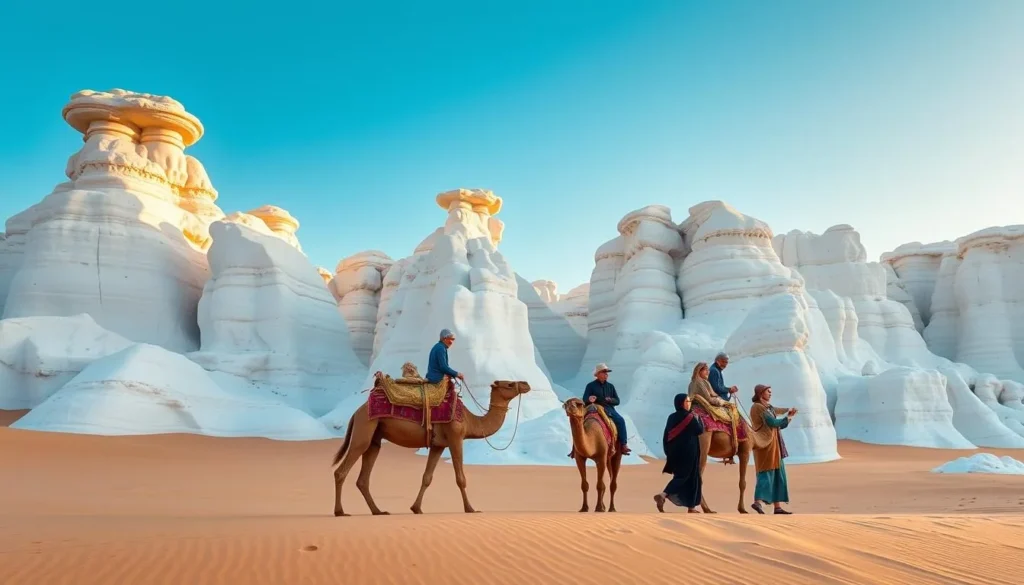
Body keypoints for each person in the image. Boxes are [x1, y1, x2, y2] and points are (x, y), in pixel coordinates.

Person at [749, 384, 797, 515]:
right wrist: (789, 417)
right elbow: (773, 423)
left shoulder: (767, 407)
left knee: (778, 474)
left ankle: (777, 507)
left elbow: (777, 411)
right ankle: (757, 502)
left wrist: (788, 411)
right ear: (760, 393)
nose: (770, 393)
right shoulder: (757, 407)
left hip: (774, 445)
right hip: (765, 444)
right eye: (768, 392)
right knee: (766, 473)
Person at [654, 393, 705, 513]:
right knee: (687, 477)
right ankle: (663, 494)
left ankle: (691, 507)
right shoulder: (690, 417)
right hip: (689, 453)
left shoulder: (671, 417)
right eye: (687, 402)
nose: (689, 404)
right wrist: (698, 419)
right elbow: (699, 430)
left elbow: (666, 435)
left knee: (684, 477)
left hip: (674, 454)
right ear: (682, 403)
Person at [687, 361, 741, 463]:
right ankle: (733, 446)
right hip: (703, 407)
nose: (708, 372)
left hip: (696, 408)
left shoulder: (693, 383)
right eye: (706, 369)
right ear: (699, 371)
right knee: (728, 415)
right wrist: (724, 403)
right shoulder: (700, 382)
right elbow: (709, 398)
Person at [583, 363, 631, 455]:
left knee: (620, 420)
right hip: (594, 408)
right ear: (598, 374)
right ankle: (575, 448)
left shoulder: (610, 386)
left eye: (607, 372)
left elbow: (617, 401)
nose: (606, 374)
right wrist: (589, 399)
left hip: (609, 408)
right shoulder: (590, 386)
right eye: (604, 372)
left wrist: (610, 400)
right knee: (579, 421)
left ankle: (623, 445)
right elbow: (585, 398)